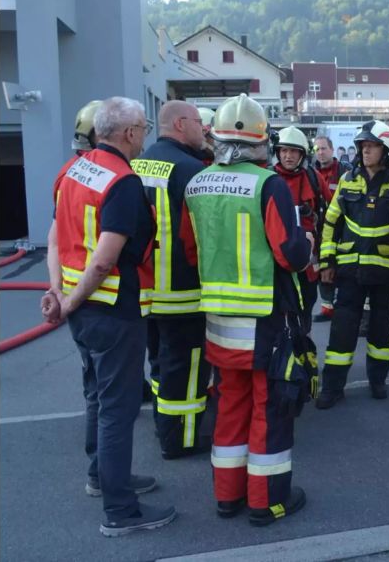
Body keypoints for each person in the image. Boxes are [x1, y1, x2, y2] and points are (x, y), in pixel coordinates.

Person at [42, 96, 176, 536]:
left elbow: (56, 239)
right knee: (118, 409)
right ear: (130, 133)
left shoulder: (71, 170)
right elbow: (103, 261)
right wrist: (71, 301)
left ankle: (102, 477)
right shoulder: (121, 182)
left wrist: (59, 294)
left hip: (83, 313)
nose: (144, 136)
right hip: (112, 311)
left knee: (98, 397)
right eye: (143, 128)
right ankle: (121, 510)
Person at [180, 94, 314, 526]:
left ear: (216, 138)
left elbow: (188, 248)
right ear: (262, 142)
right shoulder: (267, 183)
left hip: (217, 320)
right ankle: (267, 500)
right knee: (269, 408)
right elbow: (289, 254)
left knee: (230, 405)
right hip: (262, 319)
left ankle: (227, 496)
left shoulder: (196, 183)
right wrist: (306, 248)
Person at [315, 120, 389, 408]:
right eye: (363, 145)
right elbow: (330, 223)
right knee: (342, 330)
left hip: (386, 273)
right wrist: (326, 261)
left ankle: (378, 380)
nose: (365, 150)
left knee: (380, 332)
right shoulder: (349, 180)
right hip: (349, 271)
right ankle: (333, 387)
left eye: (372, 146)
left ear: (386, 150)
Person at [131, 100, 210, 460]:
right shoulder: (191, 170)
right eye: (198, 122)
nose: (203, 129)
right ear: (180, 124)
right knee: (189, 367)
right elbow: (203, 236)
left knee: (160, 360)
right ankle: (181, 438)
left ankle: (163, 420)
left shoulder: (135, 163)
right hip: (182, 291)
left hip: (143, 289)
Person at [273, 126, 333, 332]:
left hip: (308, 261)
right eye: (283, 151)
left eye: (293, 151)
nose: (288, 156)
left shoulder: (313, 178)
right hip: (277, 260)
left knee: (305, 308)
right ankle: (284, 358)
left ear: (302, 154)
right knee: (279, 314)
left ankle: (304, 355)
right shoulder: (267, 178)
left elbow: (331, 216)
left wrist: (327, 260)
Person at [312, 135, 352, 323]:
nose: (320, 152)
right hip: (320, 228)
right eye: (317, 149)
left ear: (332, 149)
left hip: (343, 227)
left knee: (343, 267)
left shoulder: (346, 171)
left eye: (323, 148)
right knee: (322, 266)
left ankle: (343, 306)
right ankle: (327, 307)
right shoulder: (311, 173)